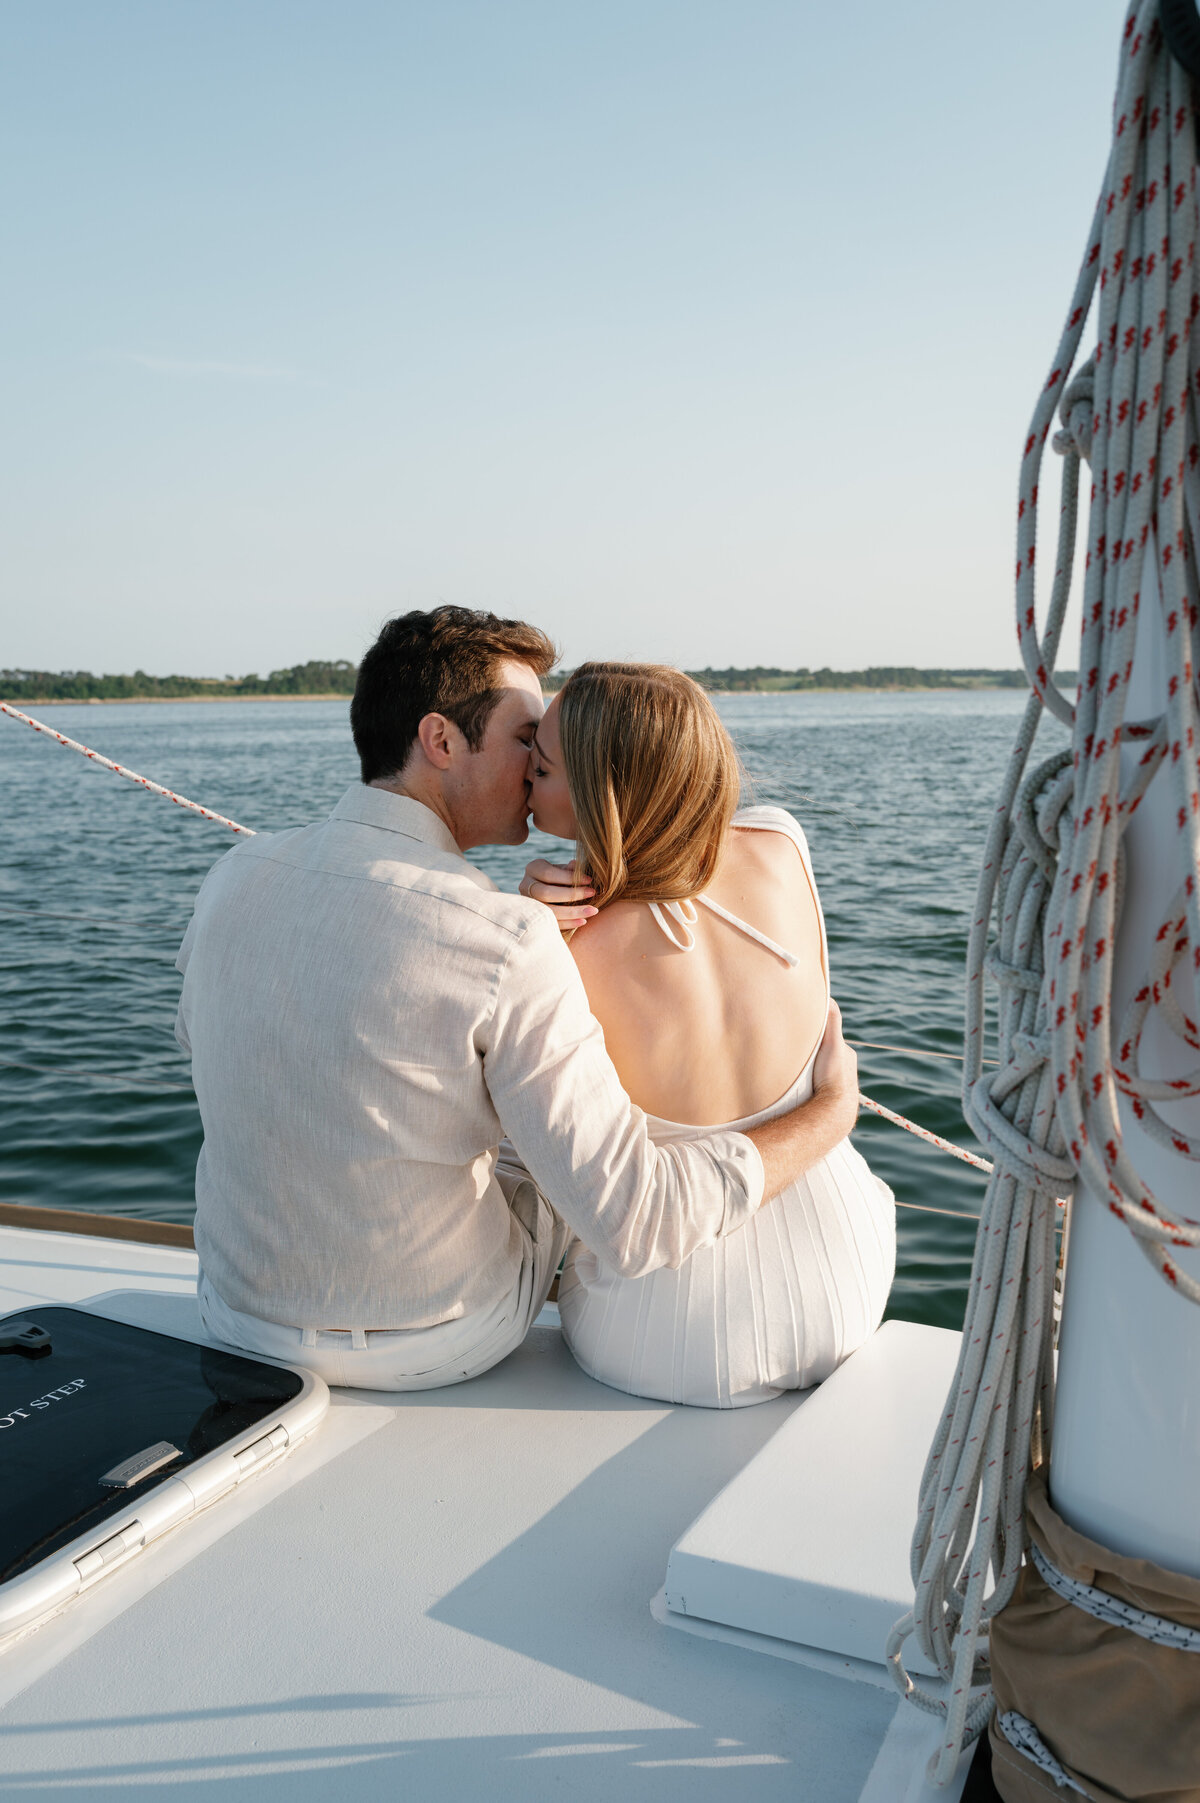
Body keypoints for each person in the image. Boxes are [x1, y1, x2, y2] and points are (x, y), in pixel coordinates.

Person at [176, 607, 861, 1393]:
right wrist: (828, 1115)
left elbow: (204, 1044)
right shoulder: (507, 936)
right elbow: (635, 1220)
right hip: (439, 1336)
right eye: (523, 736)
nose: (535, 761)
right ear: (441, 741)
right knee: (553, 1146)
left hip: (236, 1316)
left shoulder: (232, 874)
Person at [521, 661, 895, 1407]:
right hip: (850, 1276)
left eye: (541, 766)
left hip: (670, 1338)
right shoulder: (784, 844)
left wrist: (528, 918)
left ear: (604, 792)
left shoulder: (556, 950)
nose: (525, 780)